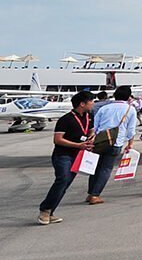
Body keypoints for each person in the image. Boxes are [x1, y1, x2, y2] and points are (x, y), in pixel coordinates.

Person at [37, 91, 97, 225]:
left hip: (78, 155)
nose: (92, 104)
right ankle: (45, 210)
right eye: (91, 101)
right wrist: (78, 145)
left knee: (65, 184)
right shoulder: (66, 119)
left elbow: (91, 130)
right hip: (63, 155)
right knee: (62, 179)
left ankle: (50, 212)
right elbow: (58, 139)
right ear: (82, 104)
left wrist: (91, 137)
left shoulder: (89, 116)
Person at [84, 86, 140, 204]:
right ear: (128, 97)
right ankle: (95, 195)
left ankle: (90, 193)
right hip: (116, 142)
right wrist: (130, 143)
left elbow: (95, 126)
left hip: (99, 141)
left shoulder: (104, 108)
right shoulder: (130, 109)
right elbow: (131, 130)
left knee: (96, 167)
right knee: (106, 169)